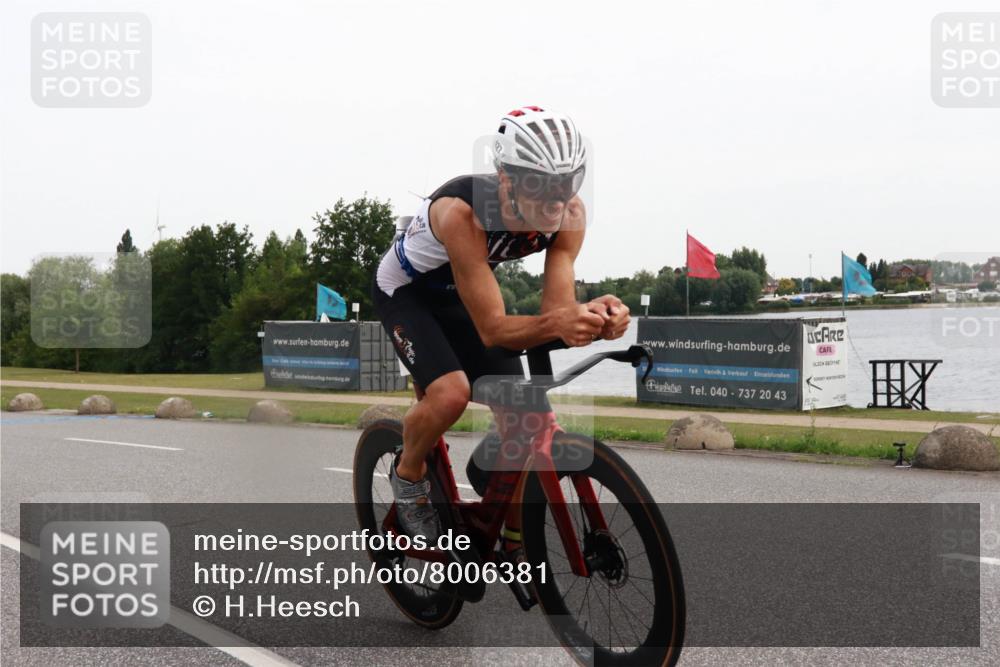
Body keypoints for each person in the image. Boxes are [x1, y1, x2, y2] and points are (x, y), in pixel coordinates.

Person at [371, 106, 630, 555]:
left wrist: (592, 319)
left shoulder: (569, 214)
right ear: (506, 179)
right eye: (541, 184)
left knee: (524, 420)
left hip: (463, 296)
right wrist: (562, 321)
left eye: (568, 183)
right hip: (408, 293)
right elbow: (493, 330)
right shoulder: (462, 214)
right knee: (450, 393)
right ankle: (408, 476)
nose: (556, 199)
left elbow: (554, 315)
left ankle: (511, 538)